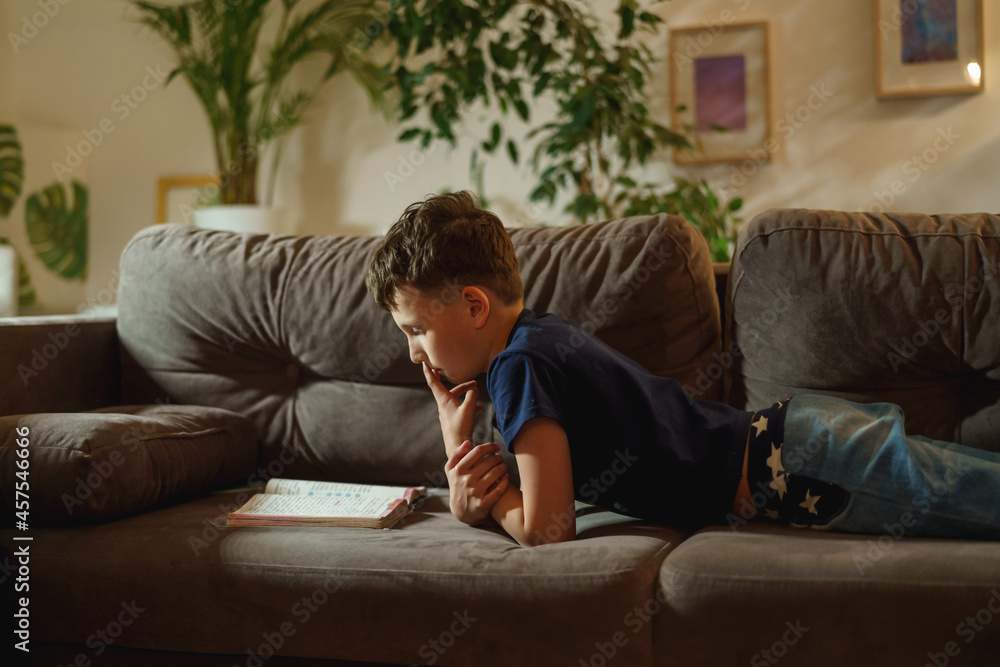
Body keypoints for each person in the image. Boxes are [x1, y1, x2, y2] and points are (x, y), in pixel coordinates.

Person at [365, 191, 1000, 547]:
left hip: (795, 464)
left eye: (417, 330)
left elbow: (545, 528)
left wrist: (491, 499)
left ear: (474, 305)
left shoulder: (519, 367)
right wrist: (458, 440)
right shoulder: (538, 340)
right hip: (797, 445)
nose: (415, 353)